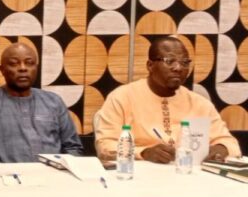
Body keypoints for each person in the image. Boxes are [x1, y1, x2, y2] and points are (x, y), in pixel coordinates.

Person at [95, 35, 240, 163]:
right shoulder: (122, 97)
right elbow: (106, 146)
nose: (178, 68)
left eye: (185, 62)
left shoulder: (200, 104)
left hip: (189, 177)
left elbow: (230, 143)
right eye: (169, 61)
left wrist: (222, 148)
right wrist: (144, 153)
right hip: (139, 177)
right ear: (150, 65)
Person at [0, 42, 83, 162]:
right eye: (14, 63)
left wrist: (60, 168)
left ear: (36, 68)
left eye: (29, 63)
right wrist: (3, 171)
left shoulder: (54, 102)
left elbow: (73, 147)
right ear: (2, 70)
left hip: (52, 172)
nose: (23, 68)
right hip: (5, 173)